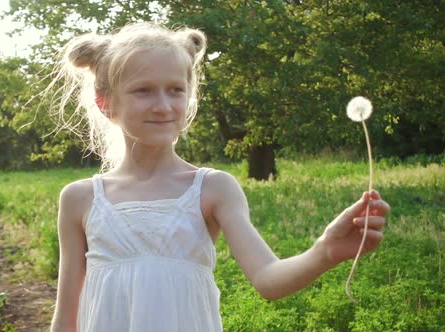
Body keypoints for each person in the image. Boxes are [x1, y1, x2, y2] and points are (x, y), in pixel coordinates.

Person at [48, 23, 390, 332]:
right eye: (143, 90)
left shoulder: (212, 188)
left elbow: (268, 280)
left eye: (175, 90)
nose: (163, 105)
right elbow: (66, 317)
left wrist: (325, 251)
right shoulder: (81, 198)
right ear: (105, 102)